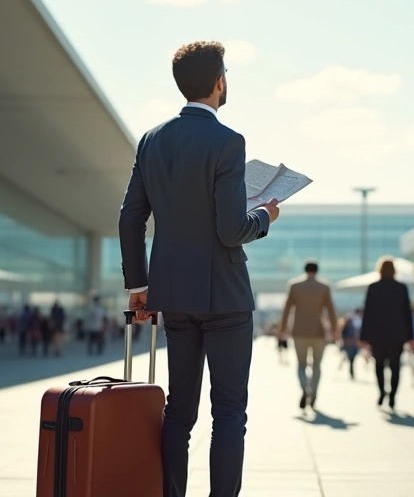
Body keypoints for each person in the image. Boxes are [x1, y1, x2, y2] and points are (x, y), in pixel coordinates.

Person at [119, 40, 280, 497]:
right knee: (228, 411)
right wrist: (264, 216)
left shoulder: (151, 140)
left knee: (179, 411)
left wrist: (139, 284)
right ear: (219, 83)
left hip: (173, 293)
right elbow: (231, 230)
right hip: (224, 294)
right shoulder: (228, 141)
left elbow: (130, 217)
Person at [279, 260, 337, 410]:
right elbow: (331, 310)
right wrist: (335, 330)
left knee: (301, 364)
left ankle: (305, 387)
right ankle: (314, 392)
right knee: (316, 365)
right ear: (317, 270)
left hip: (299, 331)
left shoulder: (294, 285)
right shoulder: (324, 287)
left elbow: (287, 309)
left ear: (305, 269)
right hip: (319, 332)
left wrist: (283, 328)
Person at [359, 256, 414, 410]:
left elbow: (367, 313)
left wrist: (363, 336)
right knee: (395, 366)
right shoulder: (401, 288)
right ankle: (392, 396)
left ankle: (382, 391)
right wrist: (411, 336)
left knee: (379, 365)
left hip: (377, 334)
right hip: (397, 334)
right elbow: (407, 314)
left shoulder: (373, 287)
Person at [339, 309, 362, 379]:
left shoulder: (355, 325)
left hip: (352, 345)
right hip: (349, 345)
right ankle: (350, 372)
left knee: (351, 359)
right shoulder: (349, 326)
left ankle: (348, 371)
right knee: (350, 359)